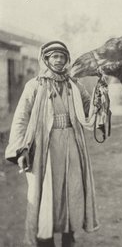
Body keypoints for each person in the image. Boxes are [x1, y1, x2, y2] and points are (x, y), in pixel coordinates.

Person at [5, 41, 99, 247]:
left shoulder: (73, 85)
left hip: (72, 144)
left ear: (66, 60)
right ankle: (44, 238)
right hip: (44, 147)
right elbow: (21, 117)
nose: (58, 60)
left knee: (71, 188)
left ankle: (68, 233)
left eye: (61, 57)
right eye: (54, 57)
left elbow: (89, 107)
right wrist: (21, 150)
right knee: (46, 192)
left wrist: (100, 98)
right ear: (46, 59)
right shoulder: (35, 85)